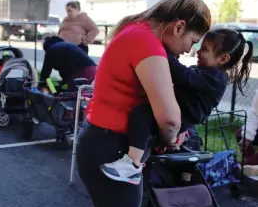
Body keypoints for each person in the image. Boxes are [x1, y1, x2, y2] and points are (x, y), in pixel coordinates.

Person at [75, 0, 211, 207]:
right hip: (113, 147)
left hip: (100, 142)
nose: (190, 50)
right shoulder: (147, 44)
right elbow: (170, 120)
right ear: (179, 27)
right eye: (193, 41)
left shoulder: (135, 30)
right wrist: (171, 138)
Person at [101, 28, 253, 184]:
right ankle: (144, 156)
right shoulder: (205, 72)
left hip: (184, 116)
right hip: (182, 114)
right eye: (199, 47)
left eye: (205, 50)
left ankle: (132, 164)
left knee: (142, 114)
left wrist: (161, 53)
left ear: (223, 59)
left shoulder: (216, 78)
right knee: (145, 121)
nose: (198, 52)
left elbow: (184, 76)